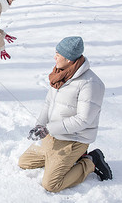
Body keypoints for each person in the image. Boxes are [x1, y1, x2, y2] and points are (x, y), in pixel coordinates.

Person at [18, 36, 112, 192]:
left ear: (68, 59)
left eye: (58, 54)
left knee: (51, 185)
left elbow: (83, 120)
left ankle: (91, 161)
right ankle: (64, 160)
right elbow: (48, 104)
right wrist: (40, 126)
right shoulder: (60, 75)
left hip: (73, 140)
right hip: (54, 135)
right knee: (24, 162)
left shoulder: (91, 84)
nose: (54, 57)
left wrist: (48, 129)